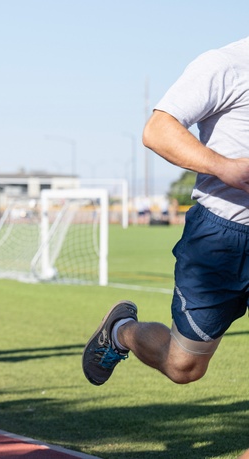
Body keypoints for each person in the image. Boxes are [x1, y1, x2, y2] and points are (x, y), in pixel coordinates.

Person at [83, 37, 249, 388]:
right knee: (183, 366)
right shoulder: (226, 65)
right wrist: (224, 167)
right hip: (221, 239)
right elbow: (158, 131)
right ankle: (120, 331)